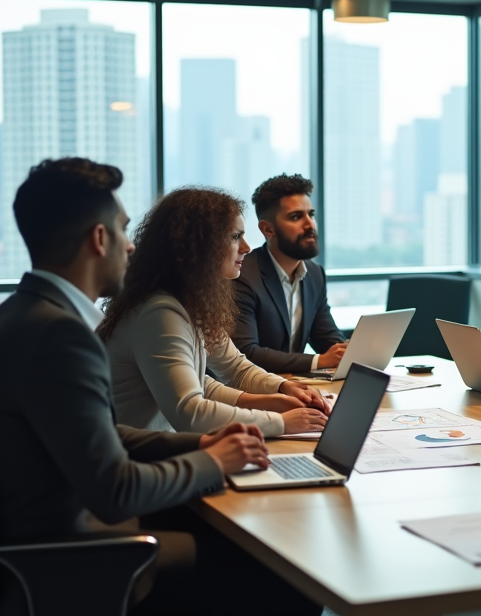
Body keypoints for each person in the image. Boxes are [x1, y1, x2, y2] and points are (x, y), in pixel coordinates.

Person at [0, 158, 325, 616]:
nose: (131, 244)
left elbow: (106, 436)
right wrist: (213, 462)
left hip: (56, 539)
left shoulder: (26, 316)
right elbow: (115, 490)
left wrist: (201, 446)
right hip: (77, 562)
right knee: (297, 579)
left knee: (261, 547)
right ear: (98, 239)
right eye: (121, 229)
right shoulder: (59, 337)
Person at [100, 187, 331, 438]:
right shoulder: (159, 313)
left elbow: (231, 370)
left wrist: (280, 390)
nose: (246, 247)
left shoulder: (190, 302)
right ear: (197, 245)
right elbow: (191, 413)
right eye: (235, 237)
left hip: (160, 453)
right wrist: (280, 422)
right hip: (136, 463)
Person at [232, 174, 348, 374]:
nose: (310, 225)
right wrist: (318, 361)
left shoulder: (314, 274)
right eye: (296, 217)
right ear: (268, 229)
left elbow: (326, 337)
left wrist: (351, 351)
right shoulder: (243, 276)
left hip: (297, 389)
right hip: (253, 393)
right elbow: (246, 352)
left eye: (311, 215)